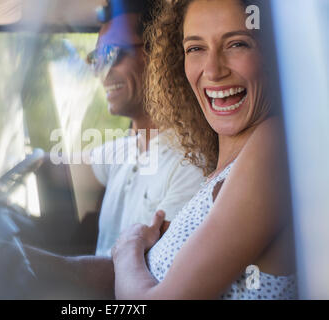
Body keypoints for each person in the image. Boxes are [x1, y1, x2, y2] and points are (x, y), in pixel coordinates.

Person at [0, 0, 205, 299]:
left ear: (158, 57)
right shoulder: (130, 148)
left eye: (111, 55)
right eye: (94, 59)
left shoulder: (192, 167)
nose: (99, 70)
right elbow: (48, 165)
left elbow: (119, 278)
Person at [110, 0, 298, 299]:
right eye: (195, 48)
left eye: (237, 44)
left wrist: (127, 250)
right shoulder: (223, 170)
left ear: (275, 54)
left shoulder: (274, 147)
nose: (212, 70)